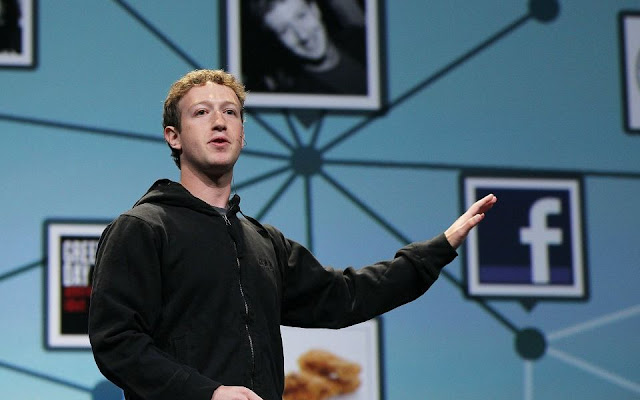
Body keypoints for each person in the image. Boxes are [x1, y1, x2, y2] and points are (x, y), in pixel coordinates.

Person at [88, 69, 497, 400]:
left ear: (243, 134)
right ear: (173, 136)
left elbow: (346, 297)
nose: (219, 121)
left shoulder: (263, 242)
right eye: (201, 112)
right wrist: (206, 394)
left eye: (230, 112)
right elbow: (116, 341)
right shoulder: (143, 228)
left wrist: (437, 249)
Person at [242, 0, 367, 94]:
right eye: (284, 30)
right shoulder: (298, 97)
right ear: (277, 40)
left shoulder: (363, 38)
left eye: (301, 16)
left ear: (315, 9)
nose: (303, 35)